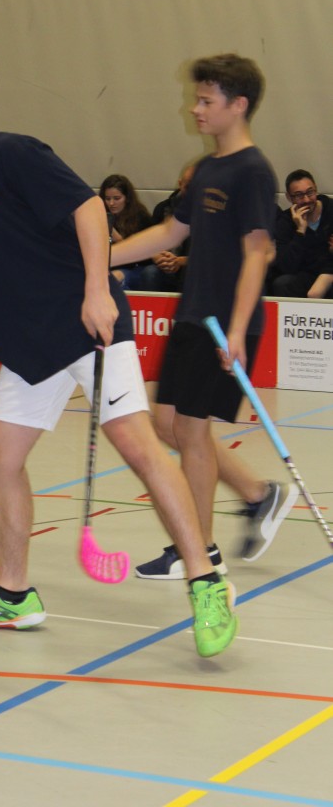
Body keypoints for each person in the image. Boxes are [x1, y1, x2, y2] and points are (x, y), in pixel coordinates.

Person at [0, 47, 237, 659]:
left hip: (86, 324)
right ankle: (13, 594)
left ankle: (207, 582)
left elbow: (87, 207)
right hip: (31, 349)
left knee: (137, 445)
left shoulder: (12, 154)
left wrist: (96, 288)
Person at [110, 54, 297, 579]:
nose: (195, 108)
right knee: (168, 423)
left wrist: (236, 330)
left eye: (205, 100)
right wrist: (100, 257)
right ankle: (257, 494)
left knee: (190, 432)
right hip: (194, 315)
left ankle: (199, 551)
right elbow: (171, 233)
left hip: (226, 323)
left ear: (238, 105)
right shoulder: (209, 168)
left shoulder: (253, 171)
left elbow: (257, 253)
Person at [268, 170, 333, 299]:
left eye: (310, 192)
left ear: (316, 189)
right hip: (305, 274)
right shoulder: (285, 222)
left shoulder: (330, 209)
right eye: (299, 195)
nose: (306, 199)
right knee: (282, 283)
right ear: (289, 197)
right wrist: (300, 231)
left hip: (329, 270)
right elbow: (286, 267)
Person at [137, 162, 195, 293]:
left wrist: (180, 261)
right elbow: (150, 243)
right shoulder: (163, 208)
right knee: (149, 273)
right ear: (180, 184)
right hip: (165, 266)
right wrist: (159, 258)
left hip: (191, 267)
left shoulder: (208, 214)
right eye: (188, 187)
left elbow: (208, 255)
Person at [98, 174, 152, 289]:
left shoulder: (140, 217)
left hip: (135, 267)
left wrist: (117, 238)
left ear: (127, 198)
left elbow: (142, 255)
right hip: (107, 266)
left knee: (116, 279)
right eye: (107, 199)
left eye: (117, 198)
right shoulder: (99, 216)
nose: (111, 203)